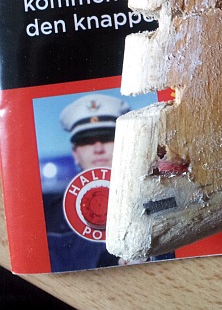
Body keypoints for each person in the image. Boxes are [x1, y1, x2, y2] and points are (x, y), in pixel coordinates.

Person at [43, 93, 174, 272]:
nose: (98, 149)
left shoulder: (163, 197)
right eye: (86, 141)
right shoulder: (49, 216)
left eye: (107, 138)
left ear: (125, 144)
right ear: (75, 153)